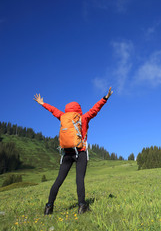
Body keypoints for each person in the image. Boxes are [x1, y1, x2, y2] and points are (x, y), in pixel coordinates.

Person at [34, 87, 113, 215]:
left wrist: (42, 103)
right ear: (78, 109)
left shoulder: (63, 116)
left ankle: (48, 207)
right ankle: (82, 206)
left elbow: (53, 111)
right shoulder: (83, 118)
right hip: (80, 152)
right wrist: (105, 98)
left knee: (59, 180)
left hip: (66, 153)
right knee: (79, 179)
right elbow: (95, 109)